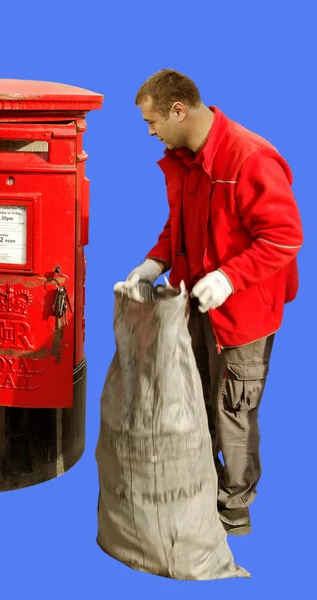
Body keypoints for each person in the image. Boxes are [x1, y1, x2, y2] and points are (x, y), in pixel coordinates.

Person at [122, 69, 303, 536]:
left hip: (243, 314)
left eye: (152, 122)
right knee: (196, 399)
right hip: (198, 304)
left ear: (178, 110)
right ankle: (202, 486)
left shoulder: (249, 159)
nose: (150, 132)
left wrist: (229, 277)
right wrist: (153, 263)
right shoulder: (184, 160)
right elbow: (179, 224)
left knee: (233, 412)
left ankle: (235, 508)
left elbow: (284, 237)